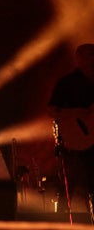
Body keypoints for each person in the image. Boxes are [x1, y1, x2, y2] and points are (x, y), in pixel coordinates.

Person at [48, 43, 94, 219]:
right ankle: (62, 220)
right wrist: (77, 112)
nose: (92, 58)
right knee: (72, 181)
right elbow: (51, 111)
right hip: (76, 140)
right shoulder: (67, 83)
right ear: (79, 58)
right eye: (89, 55)